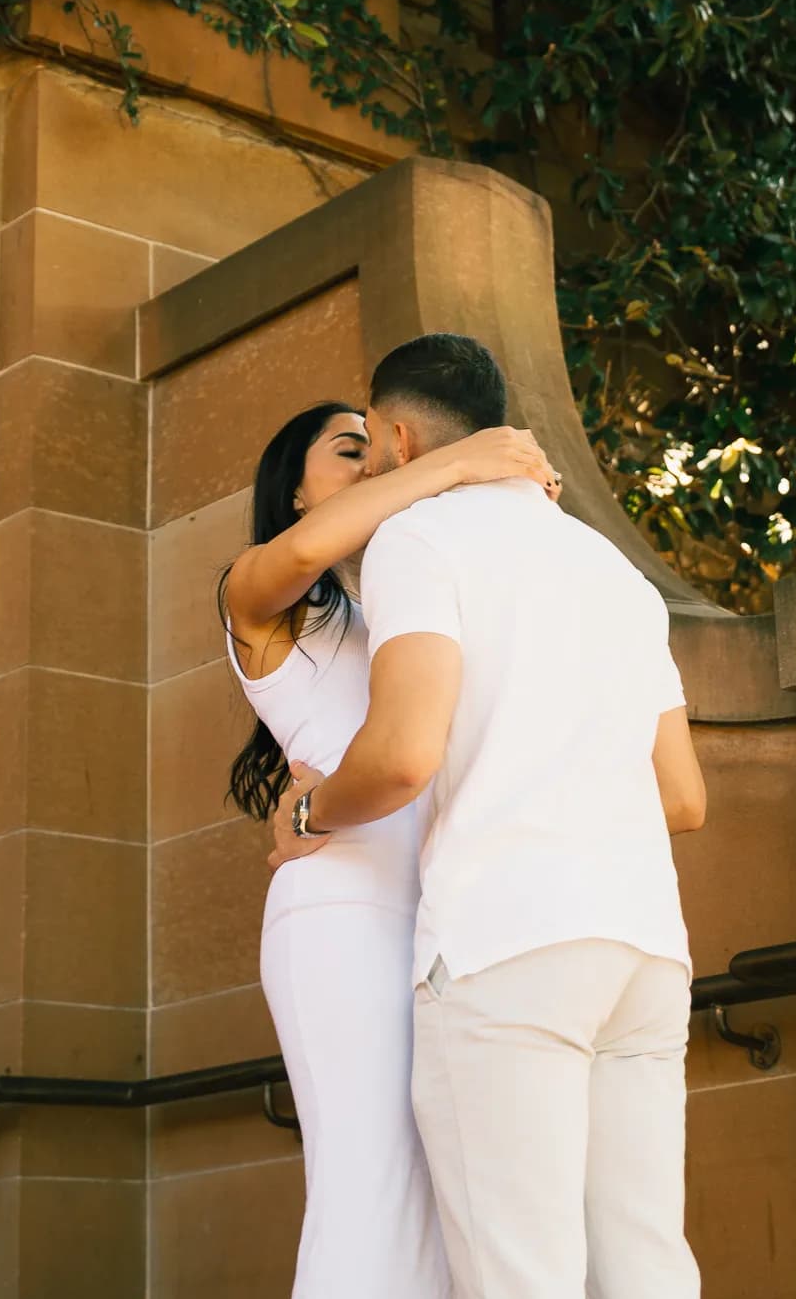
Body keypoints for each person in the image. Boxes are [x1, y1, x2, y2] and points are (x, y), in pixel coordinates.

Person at [270, 333, 708, 1299]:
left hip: (506, 944)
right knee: (644, 1268)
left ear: (394, 436)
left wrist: (307, 813)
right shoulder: (619, 577)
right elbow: (684, 798)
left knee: (521, 1278)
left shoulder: (420, 541)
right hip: (644, 953)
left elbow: (400, 756)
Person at [219, 399, 560, 1298]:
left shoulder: (416, 599)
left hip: (446, 914)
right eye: (349, 451)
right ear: (294, 489)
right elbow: (297, 558)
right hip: (342, 913)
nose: (373, 465)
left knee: (451, 1202)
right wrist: (455, 463)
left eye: (382, 449)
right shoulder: (266, 598)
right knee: (370, 1185)